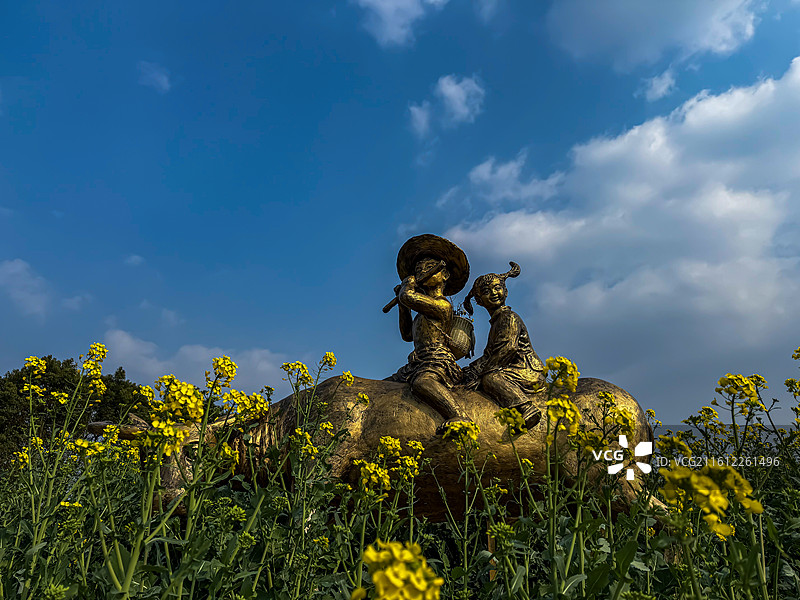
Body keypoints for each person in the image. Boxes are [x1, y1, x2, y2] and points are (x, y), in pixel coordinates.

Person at [389, 234, 471, 433]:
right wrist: (402, 306)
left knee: (423, 383)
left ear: (445, 275)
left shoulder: (442, 306)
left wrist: (406, 292)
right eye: (418, 269)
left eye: (429, 268)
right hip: (417, 361)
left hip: (436, 361)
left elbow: (409, 296)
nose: (421, 272)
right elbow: (407, 334)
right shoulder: (420, 313)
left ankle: (458, 415)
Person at [461, 262, 544, 429]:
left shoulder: (509, 317)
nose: (493, 293)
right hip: (510, 367)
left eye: (497, 288)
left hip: (524, 369)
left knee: (490, 378)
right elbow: (490, 355)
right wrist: (470, 370)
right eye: (486, 292)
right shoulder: (496, 322)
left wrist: (481, 374)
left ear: (505, 291)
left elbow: (508, 349)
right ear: (479, 301)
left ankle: (526, 408)